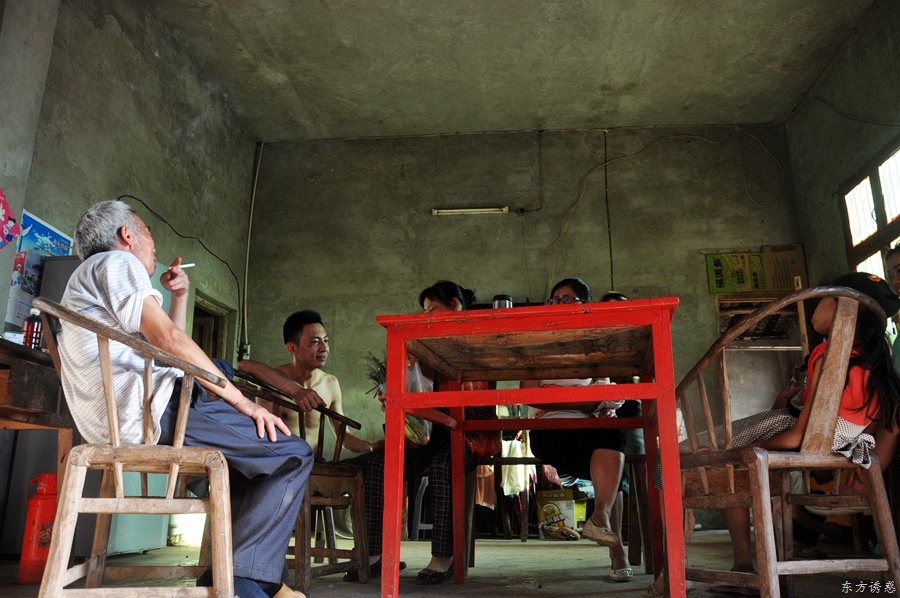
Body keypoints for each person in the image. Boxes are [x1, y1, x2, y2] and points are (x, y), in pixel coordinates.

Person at [59, 200, 323, 598]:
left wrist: (179, 296)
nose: (153, 242)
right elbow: (169, 342)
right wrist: (243, 403)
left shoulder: (90, 277)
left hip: (121, 418)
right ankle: (243, 583)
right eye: (148, 231)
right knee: (292, 454)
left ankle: (235, 577)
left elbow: (165, 350)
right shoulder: (117, 262)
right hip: (153, 409)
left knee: (243, 468)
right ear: (127, 235)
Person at [648, 272, 900, 597]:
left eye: (825, 298)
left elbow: (798, 436)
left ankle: (675, 570)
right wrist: (869, 468)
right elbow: (880, 428)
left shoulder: (829, 355)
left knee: (670, 458)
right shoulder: (878, 369)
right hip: (824, 439)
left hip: (784, 429)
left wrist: (741, 450)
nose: (816, 305)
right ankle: (739, 567)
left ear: (844, 309)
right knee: (726, 466)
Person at [343, 280, 498, 585]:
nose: (427, 316)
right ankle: (374, 555)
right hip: (428, 436)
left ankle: (442, 557)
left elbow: (475, 408)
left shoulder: (475, 341)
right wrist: (393, 399)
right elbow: (413, 400)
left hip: (470, 435)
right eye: (425, 311)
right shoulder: (422, 347)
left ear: (455, 305)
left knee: (444, 464)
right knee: (378, 464)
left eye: (432, 309)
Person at [523, 278, 634, 583]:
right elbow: (529, 394)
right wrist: (584, 400)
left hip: (589, 431)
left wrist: (564, 396)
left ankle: (601, 521)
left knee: (612, 436)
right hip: (549, 431)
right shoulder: (540, 343)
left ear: (585, 305)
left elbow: (601, 395)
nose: (559, 304)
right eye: (555, 299)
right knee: (615, 471)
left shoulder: (595, 345)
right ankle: (616, 548)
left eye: (568, 299)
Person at [239, 310, 380, 455]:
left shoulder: (330, 383)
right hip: (277, 459)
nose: (324, 348)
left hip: (313, 462)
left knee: (377, 461)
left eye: (326, 340)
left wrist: (372, 446)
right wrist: (296, 391)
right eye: (315, 342)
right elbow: (245, 365)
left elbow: (343, 437)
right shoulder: (274, 378)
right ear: (292, 348)